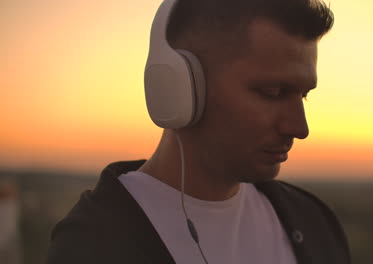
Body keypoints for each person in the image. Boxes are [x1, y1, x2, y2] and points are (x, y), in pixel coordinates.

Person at [47, 0, 351, 263]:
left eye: (304, 95)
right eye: (273, 92)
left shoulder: (314, 222)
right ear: (184, 87)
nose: (299, 128)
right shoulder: (95, 246)